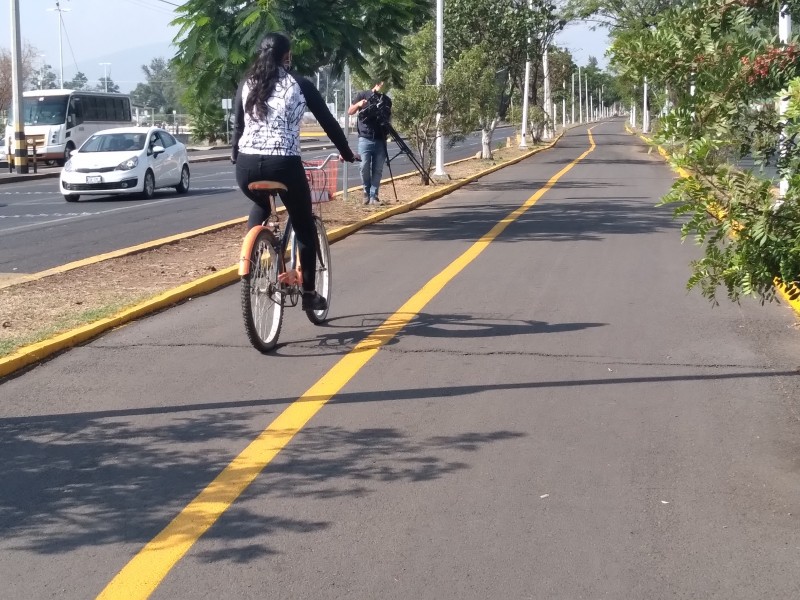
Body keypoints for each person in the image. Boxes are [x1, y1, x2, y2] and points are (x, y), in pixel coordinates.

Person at [232, 32, 358, 312]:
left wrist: (234, 156)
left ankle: (254, 256)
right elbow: (328, 122)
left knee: (260, 204)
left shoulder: (246, 84)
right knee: (303, 226)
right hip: (284, 165)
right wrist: (347, 154)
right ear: (287, 56)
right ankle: (310, 293)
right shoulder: (299, 84)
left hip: (246, 167)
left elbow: (238, 127)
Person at [348, 81, 392, 205]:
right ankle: (366, 192)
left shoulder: (387, 100)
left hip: (380, 139)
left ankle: (374, 196)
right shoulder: (363, 95)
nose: (384, 85)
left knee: (378, 169)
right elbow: (350, 111)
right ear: (377, 83)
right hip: (365, 138)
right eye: (382, 83)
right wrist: (359, 104)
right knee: (363, 167)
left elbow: (389, 118)